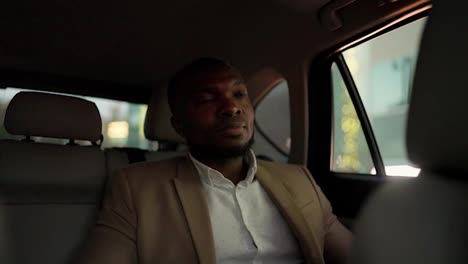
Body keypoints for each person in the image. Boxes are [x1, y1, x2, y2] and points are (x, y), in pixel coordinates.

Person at [77, 57, 352, 264]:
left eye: (239, 94)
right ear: (179, 125)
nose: (231, 107)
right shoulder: (136, 187)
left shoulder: (299, 180)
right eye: (207, 98)